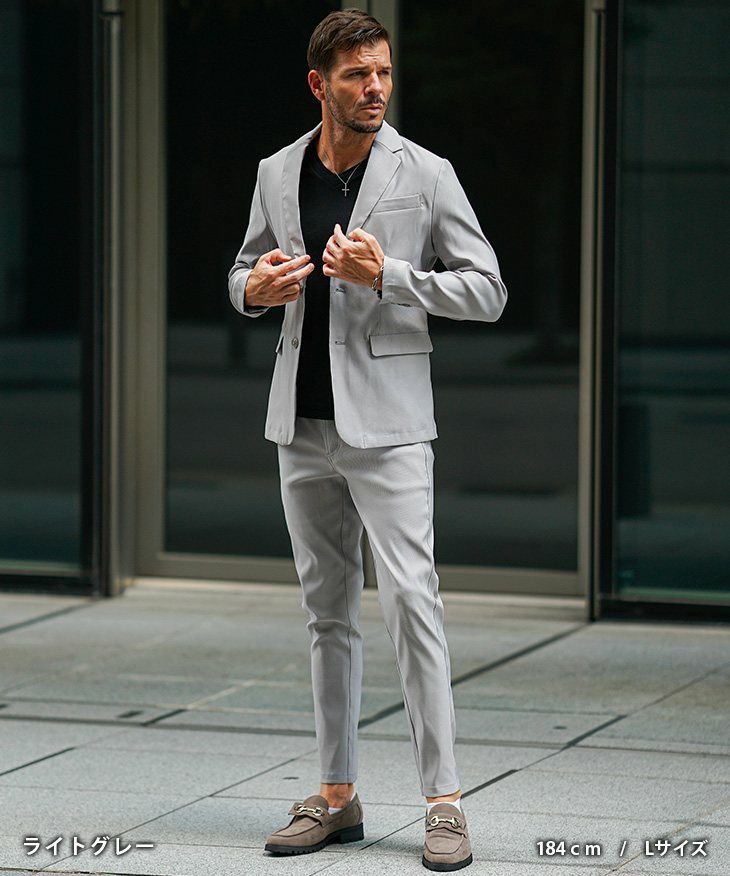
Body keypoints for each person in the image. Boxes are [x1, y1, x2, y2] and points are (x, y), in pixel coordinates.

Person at [227, 8, 507, 871]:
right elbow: (243, 268)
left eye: (382, 71)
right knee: (327, 614)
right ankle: (337, 795)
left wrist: (391, 276)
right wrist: (254, 290)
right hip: (302, 426)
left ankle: (445, 804)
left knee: (413, 605)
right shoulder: (278, 170)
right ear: (320, 84)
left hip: (389, 431)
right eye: (356, 75)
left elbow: (488, 289)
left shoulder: (426, 173)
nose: (375, 87)